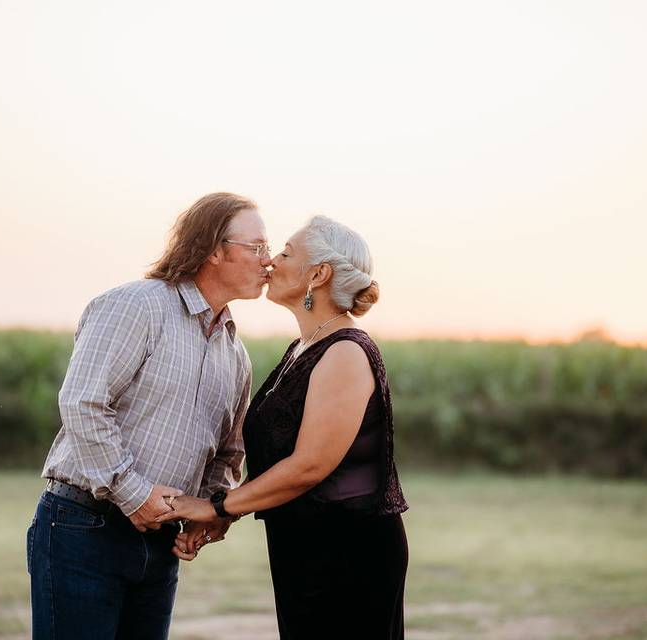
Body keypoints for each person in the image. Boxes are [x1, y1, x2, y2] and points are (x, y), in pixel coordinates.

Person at [26, 192, 271, 640]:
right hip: (84, 527)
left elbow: (228, 454)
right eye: (257, 247)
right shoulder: (136, 306)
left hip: (160, 544)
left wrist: (213, 508)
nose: (268, 261)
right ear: (215, 249)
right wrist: (134, 494)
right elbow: (83, 402)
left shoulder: (236, 354)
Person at [161, 215, 409, 640]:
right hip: (303, 548)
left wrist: (217, 507)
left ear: (318, 274)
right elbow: (278, 460)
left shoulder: (346, 352)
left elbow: (310, 466)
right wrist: (228, 514)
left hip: (348, 554)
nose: (271, 262)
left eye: (286, 253)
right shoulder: (303, 349)